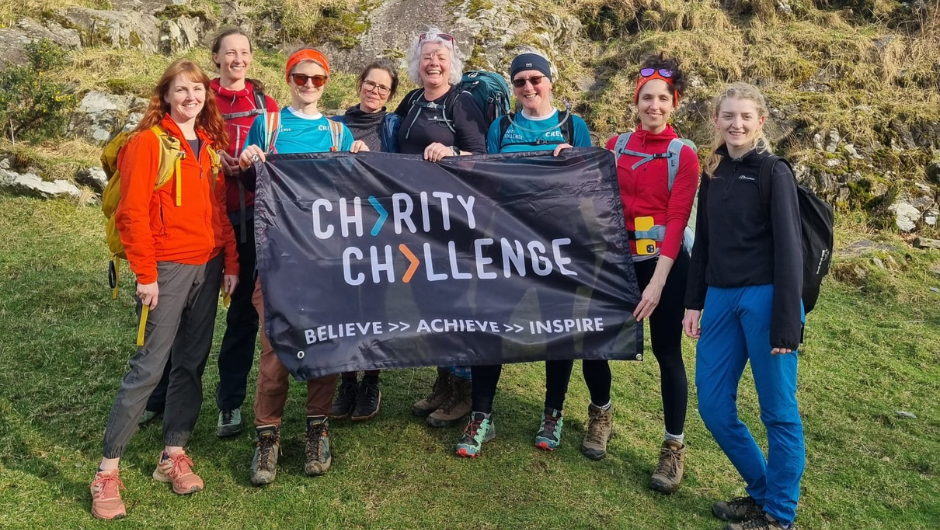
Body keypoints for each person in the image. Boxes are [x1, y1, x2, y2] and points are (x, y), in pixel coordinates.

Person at [89, 59, 233, 520]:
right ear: (165, 96)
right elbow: (132, 213)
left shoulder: (209, 145)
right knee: (148, 367)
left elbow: (220, 211)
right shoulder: (148, 143)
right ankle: (107, 471)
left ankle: (173, 454)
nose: (190, 96)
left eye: (197, 89)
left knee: (190, 364)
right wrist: (145, 274)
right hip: (166, 270)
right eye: (181, 89)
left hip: (208, 268)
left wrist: (230, 262)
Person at [137, 27, 279, 439]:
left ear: (251, 58)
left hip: (253, 216)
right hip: (204, 219)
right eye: (229, 52)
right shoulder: (198, 95)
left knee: (241, 316)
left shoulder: (266, 105)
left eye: (244, 52)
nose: (237, 59)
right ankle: (160, 395)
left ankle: (229, 403)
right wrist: (221, 161)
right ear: (215, 57)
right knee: (180, 313)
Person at [455, 52, 593, 457]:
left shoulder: (573, 125)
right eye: (520, 82)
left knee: (560, 330)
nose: (529, 87)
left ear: (551, 81)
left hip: (559, 243)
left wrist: (574, 162)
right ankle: (481, 416)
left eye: (536, 79)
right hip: (507, 242)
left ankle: (553, 412)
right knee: (490, 324)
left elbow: (590, 185)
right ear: (512, 88)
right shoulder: (502, 126)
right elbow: (485, 178)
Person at [683, 82, 804, 530]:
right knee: (713, 407)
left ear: (760, 122)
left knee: (777, 411)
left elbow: (790, 250)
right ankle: (761, 491)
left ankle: (779, 515)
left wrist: (787, 322)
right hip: (718, 298)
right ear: (716, 120)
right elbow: (706, 243)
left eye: (745, 117)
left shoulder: (775, 172)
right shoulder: (712, 173)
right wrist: (693, 302)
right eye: (728, 116)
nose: (736, 124)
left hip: (767, 299)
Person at [577, 54, 700, 491]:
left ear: (674, 103)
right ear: (636, 101)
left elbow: (677, 218)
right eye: (647, 98)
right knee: (595, 341)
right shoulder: (615, 145)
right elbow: (588, 192)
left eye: (663, 99)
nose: (654, 106)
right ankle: (601, 414)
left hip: (664, 266)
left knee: (668, 354)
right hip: (613, 260)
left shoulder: (683, 155)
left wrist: (657, 282)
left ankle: (673, 448)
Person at [238, 48, 354, 486]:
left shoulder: (339, 132)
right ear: (288, 79)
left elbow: (355, 194)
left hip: (324, 261)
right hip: (278, 258)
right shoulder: (267, 125)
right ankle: (267, 437)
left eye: (317, 79)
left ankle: (317, 428)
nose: (308, 86)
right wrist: (249, 161)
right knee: (274, 350)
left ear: (326, 82)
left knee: (324, 344)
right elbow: (252, 183)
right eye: (301, 77)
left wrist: (361, 159)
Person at [394, 27, 487, 428]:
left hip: (454, 219)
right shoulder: (412, 99)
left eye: (440, 56)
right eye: (427, 56)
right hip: (415, 219)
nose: (433, 62)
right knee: (429, 300)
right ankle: (444, 382)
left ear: (453, 64)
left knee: (455, 301)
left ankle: (464, 390)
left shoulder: (461, 101)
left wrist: (452, 152)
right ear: (417, 64)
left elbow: (483, 156)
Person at [329, 59, 401, 422]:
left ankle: (371, 379)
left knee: (375, 306)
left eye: (383, 88)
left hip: (380, 227)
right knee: (344, 304)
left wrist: (378, 161)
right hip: (342, 226)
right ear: (359, 84)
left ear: (391, 95)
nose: (374, 92)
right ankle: (347, 379)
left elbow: (406, 169)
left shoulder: (393, 126)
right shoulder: (335, 126)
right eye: (370, 84)